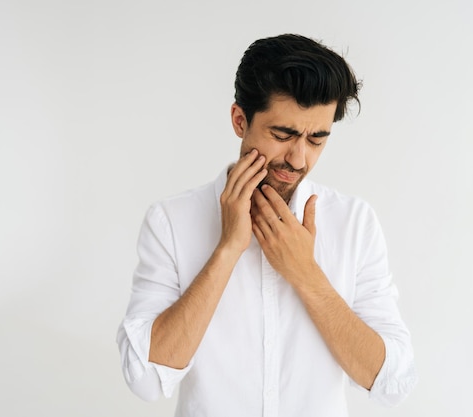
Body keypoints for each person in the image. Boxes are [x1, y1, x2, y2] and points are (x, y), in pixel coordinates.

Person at [117, 34, 417, 416]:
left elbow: (392, 382)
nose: (298, 158)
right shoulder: (172, 221)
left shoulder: (353, 222)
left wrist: (305, 273)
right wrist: (227, 250)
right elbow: (144, 380)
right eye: (282, 135)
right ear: (240, 120)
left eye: (317, 139)